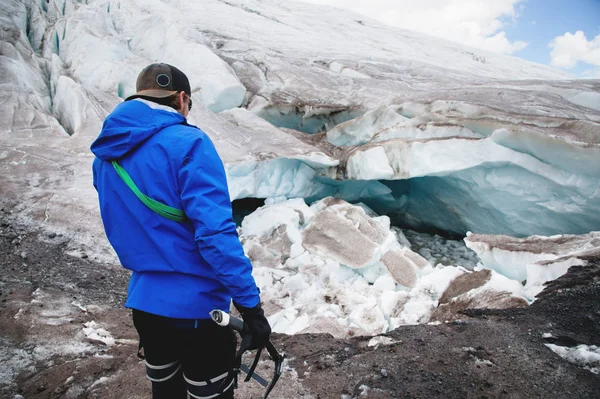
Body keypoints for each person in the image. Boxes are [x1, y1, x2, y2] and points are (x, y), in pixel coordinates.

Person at [90, 63, 271, 399]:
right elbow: (215, 235)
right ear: (182, 98)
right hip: (197, 314)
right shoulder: (190, 143)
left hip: (145, 307)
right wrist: (251, 309)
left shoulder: (105, 157)